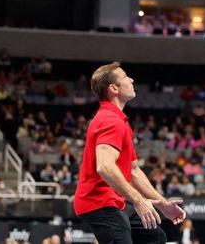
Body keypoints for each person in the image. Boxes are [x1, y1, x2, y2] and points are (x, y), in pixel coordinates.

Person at [74, 62, 186, 243]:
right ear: (114, 88)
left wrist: (163, 205)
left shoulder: (120, 120)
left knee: (155, 238)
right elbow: (105, 166)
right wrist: (139, 201)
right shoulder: (110, 120)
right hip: (99, 201)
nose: (131, 79)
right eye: (126, 77)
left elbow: (133, 171)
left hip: (115, 200)